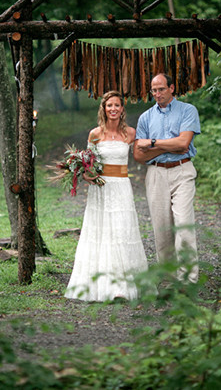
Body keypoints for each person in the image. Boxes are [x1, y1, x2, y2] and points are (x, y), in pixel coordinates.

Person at [65, 90, 149, 301]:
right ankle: (100, 285)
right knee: (102, 233)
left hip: (121, 187)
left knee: (121, 231)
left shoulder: (130, 133)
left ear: (122, 109)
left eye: (117, 105)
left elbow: (140, 156)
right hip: (101, 189)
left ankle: (122, 286)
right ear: (103, 109)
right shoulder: (95, 134)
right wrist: (86, 174)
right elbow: (87, 163)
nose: (113, 109)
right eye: (109, 105)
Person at [134, 73, 200, 283]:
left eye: (161, 89)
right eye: (154, 90)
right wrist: (167, 143)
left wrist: (152, 143)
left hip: (182, 170)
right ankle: (171, 279)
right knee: (162, 230)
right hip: (156, 174)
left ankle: (188, 279)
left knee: (184, 225)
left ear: (172, 88)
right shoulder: (145, 117)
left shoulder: (188, 110)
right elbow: (138, 155)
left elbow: (183, 145)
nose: (157, 94)